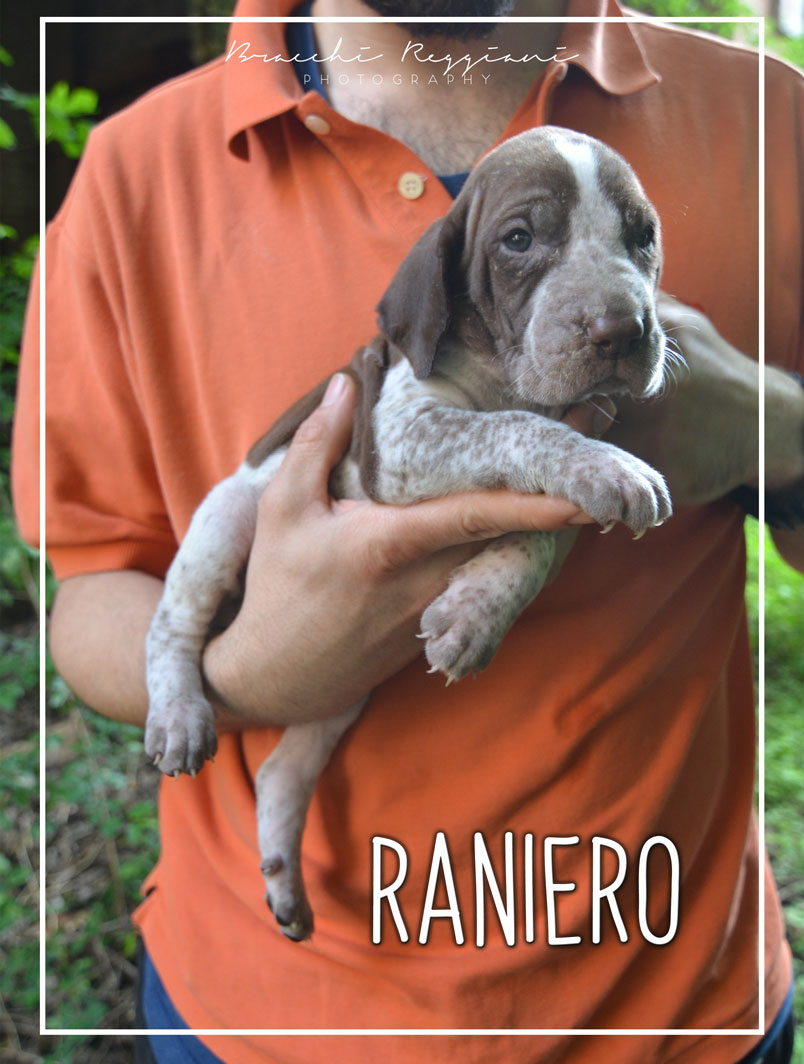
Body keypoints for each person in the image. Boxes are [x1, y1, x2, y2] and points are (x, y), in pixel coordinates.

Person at [13, 0, 804, 1061]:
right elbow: (93, 584)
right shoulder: (130, 179)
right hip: (262, 1016)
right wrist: (256, 669)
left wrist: (777, 427)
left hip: (678, 1002)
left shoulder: (769, 119)